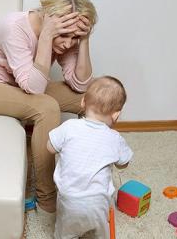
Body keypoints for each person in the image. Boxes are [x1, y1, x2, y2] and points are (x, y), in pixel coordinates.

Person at [0, 0, 98, 213]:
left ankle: (88, 174)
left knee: (93, 98)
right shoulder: (13, 26)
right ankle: (46, 197)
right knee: (47, 107)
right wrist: (45, 37)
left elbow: (80, 85)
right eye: (64, 36)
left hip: (20, 85)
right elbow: (33, 88)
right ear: (48, 19)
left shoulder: (67, 36)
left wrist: (83, 41)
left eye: (74, 37)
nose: (66, 44)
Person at [47, 76, 134, 239]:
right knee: (101, 232)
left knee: (65, 233)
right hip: (98, 204)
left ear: (82, 103)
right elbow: (124, 163)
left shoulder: (69, 127)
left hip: (69, 201)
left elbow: (49, 147)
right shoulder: (114, 138)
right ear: (116, 115)